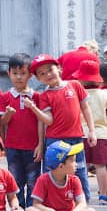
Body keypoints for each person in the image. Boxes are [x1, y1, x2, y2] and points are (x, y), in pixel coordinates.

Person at [28, 54, 96, 202]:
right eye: (42, 73)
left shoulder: (75, 85)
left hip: (76, 138)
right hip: (54, 141)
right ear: (38, 78)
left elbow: (85, 108)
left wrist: (91, 131)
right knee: (53, 173)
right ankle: (51, 203)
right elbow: (48, 121)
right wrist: (34, 109)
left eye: (50, 69)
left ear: (58, 68)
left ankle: (83, 204)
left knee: (79, 171)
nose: (47, 74)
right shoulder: (45, 96)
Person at [0, 53, 43, 208]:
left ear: (31, 74)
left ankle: (31, 210)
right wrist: (8, 114)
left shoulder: (37, 97)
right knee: (15, 181)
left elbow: (41, 122)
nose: (18, 77)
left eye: (23, 73)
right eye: (15, 73)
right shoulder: (5, 97)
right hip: (13, 147)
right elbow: (1, 123)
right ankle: (18, 209)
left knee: (33, 181)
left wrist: (40, 144)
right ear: (8, 73)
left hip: (32, 147)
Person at [26, 141, 98, 211]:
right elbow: (36, 205)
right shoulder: (43, 180)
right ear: (61, 166)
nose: (76, 164)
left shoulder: (75, 180)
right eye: (73, 161)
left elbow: (82, 203)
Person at [71, 59, 107, 204]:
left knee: (82, 166)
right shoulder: (104, 94)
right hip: (102, 134)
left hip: (82, 133)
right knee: (101, 166)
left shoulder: (77, 94)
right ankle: (103, 195)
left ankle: (80, 195)